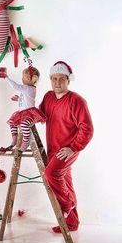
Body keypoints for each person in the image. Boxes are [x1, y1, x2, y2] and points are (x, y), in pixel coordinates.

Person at [39, 61, 94, 233]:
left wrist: (73, 148)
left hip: (68, 150)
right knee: (66, 183)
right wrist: (24, 104)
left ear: (68, 80)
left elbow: (87, 129)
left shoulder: (77, 101)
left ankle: (67, 204)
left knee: (51, 173)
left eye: (61, 79)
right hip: (53, 149)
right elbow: (41, 115)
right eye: (54, 79)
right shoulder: (48, 97)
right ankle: (72, 223)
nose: (57, 83)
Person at [0, 67, 46, 152]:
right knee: (11, 122)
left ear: (28, 78)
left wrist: (6, 77)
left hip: (29, 113)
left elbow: (15, 86)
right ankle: (14, 140)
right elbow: (26, 100)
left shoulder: (28, 88)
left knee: (24, 124)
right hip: (22, 112)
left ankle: (26, 140)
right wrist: (18, 99)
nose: (22, 79)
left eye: (23, 77)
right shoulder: (28, 89)